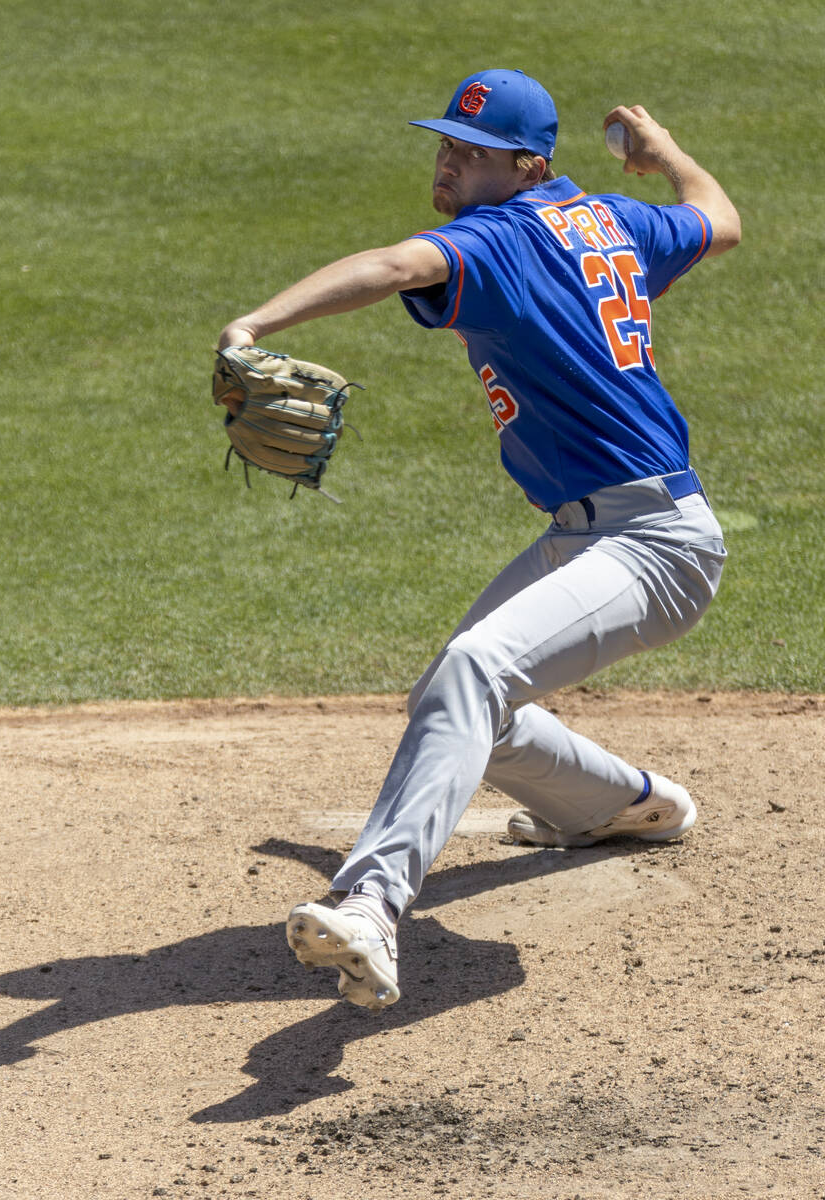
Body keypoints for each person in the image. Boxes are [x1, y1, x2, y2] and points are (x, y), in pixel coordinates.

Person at [217, 68, 741, 1011]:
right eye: (443, 146)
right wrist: (664, 158)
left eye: (469, 153)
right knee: (456, 703)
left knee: (472, 666)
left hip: (654, 543)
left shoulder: (496, 240)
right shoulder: (613, 220)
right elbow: (717, 215)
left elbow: (389, 268)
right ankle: (626, 805)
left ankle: (371, 903)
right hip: (599, 534)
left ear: (527, 163)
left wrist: (256, 323)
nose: (447, 166)